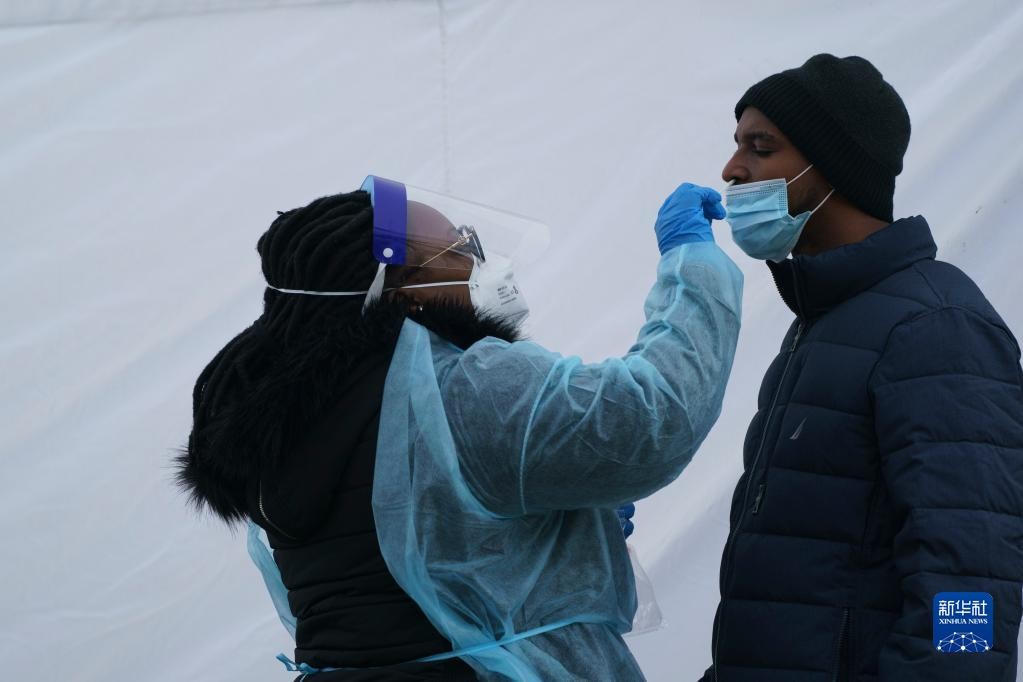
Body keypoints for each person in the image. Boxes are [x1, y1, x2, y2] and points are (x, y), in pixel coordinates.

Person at [178, 176, 743, 680]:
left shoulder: (287, 419)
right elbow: (649, 419)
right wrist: (691, 266)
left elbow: (409, 562)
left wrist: (554, 545)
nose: (484, 264)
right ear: (400, 283)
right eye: (461, 248)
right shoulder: (460, 386)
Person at [702, 53, 1023, 682]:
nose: (731, 169)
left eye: (760, 148)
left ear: (833, 168)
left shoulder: (935, 326)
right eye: (737, 145)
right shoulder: (824, 324)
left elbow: (971, 578)